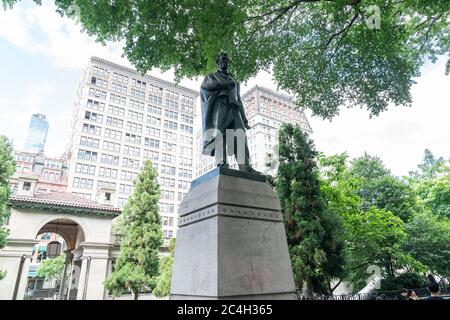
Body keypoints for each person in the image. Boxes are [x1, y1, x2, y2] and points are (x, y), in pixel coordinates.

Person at [200, 52, 258, 173]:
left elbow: (239, 99)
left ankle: (245, 166)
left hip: (235, 110)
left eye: (226, 59)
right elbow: (205, 88)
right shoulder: (212, 76)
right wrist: (224, 84)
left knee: (240, 134)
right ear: (218, 62)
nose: (224, 61)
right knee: (220, 135)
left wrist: (244, 118)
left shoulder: (234, 81)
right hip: (220, 107)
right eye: (222, 59)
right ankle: (222, 163)